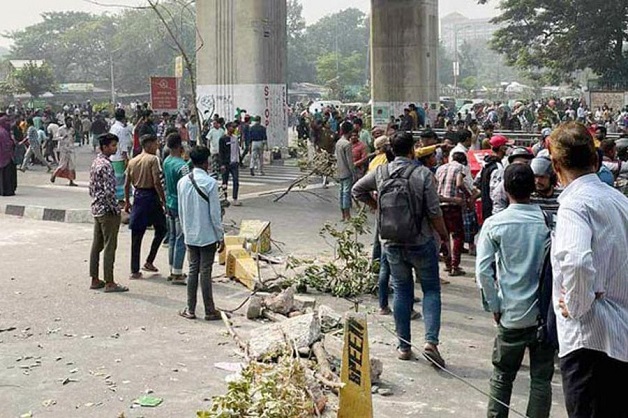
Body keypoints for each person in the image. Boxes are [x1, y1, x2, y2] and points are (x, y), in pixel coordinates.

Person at [548, 122, 628, 418]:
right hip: (620, 339)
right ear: (595, 161)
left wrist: (576, 304)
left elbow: (577, 261)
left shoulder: (574, 206)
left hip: (588, 344)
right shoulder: (619, 201)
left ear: (555, 165)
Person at [352, 132, 449, 364]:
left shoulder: (381, 172)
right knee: (431, 290)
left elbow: (357, 190)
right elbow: (434, 212)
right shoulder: (422, 174)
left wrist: (378, 209)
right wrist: (444, 237)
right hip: (421, 241)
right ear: (413, 150)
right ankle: (430, 342)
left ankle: (404, 347)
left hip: (391, 243)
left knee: (402, 291)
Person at [476, 163, 554, 418]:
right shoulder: (548, 222)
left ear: (505, 189)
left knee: (502, 376)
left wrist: (494, 306)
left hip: (511, 314)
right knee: (541, 381)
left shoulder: (494, 224)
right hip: (544, 318)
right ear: (533, 187)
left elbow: (483, 272)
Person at [177, 146, 225, 321]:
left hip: (190, 233)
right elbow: (215, 214)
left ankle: (190, 309)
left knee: (192, 271)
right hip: (207, 235)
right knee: (205, 272)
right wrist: (221, 236)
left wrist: (185, 230)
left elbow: (181, 211)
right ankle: (209, 310)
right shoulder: (210, 183)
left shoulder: (182, 182)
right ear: (206, 163)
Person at [88, 133, 128, 293]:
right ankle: (110, 281)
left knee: (96, 245)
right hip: (107, 210)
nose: (115, 148)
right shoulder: (106, 165)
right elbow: (109, 192)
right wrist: (116, 208)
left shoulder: (96, 162)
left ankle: (95, 278)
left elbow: (92, 188)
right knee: (110, 246)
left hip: (97, 208)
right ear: (104, 147)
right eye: (112, 145)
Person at [124, 134, 167, 279]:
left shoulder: (132, 161)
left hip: (138, 197)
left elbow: (126, 184)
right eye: (155, 144)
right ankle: (149, 260)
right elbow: (156, 182)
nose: (157, 147)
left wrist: (127, 201)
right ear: (148, 145)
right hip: (151, 196)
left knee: (136, 235)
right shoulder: (153, 159)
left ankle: (134, 269)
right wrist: (163, 200)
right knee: (161, 229)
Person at [162, 133, 190, 285]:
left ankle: (173, 269)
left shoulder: (167, 161)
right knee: (180, 238)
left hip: (170, 201)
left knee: (172, 237)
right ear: (180, 146)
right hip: (180, 203)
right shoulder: (182, 166)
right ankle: (177, 272)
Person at [436, 152, 468, 276]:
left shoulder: (440, 168)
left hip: (440, 204)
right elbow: (459, 183)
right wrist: (467, 194)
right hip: (453, 205)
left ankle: (448, 264)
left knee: (444, 236)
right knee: (457, 235)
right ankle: (455, 265)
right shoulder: (460, 167)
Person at [530, 156, 561, 226]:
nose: (537, 181)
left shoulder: (562, 196)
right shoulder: (530, 197)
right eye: (535, 177)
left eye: (542, 177)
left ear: (551, 178)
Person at [109, 109, 132, 201]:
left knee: (116, 178)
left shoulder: (113, 127)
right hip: (120, 157)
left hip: (113, 157)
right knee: (121, 179)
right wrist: (126, 159)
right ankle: (121, 199)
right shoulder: (121, 130)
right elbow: (123, 146)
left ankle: (117, 198)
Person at [335, 121, 355, 221]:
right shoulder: (347, 144)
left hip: (339, 171)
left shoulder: (338, 142)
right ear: (350, 131)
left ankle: (343, 215)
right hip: (347, 172)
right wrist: (353, 173)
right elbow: (350, 161)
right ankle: (347, 215)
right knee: (346, 193)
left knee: (341, 193)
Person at [50, 116, 77, 186]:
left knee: (71, 165)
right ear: (65, 121)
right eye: (68, 121)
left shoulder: (72, 129)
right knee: (63, 164)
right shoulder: (61, 129)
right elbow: (55, 137)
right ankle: (54, 175)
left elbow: (73, 138)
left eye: (71, 121)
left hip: (70, 148)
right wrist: (62, 137)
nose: (70, 122)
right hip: (63, 149)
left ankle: (71, 181)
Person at [219, 122, 241, 206]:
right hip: (226, 163)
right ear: (228, 128)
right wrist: (222, 164)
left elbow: (236, 150)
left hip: (234, 163)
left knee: (236, 180)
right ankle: (224, 198)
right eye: (232, 127)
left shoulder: (235, 138)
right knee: (225, 181)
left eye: (234, 127)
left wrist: (239, 160)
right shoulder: (223, 139)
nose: (234, 129)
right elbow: (221, 152)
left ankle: (235, 198)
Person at [0, 115, 17, 196]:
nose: (9, 123)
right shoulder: (3, 132)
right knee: (6, 176)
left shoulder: (4, 131)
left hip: (3, 157)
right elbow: (7, 145)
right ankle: (7, 191)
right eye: (6, 122)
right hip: (6, 157)